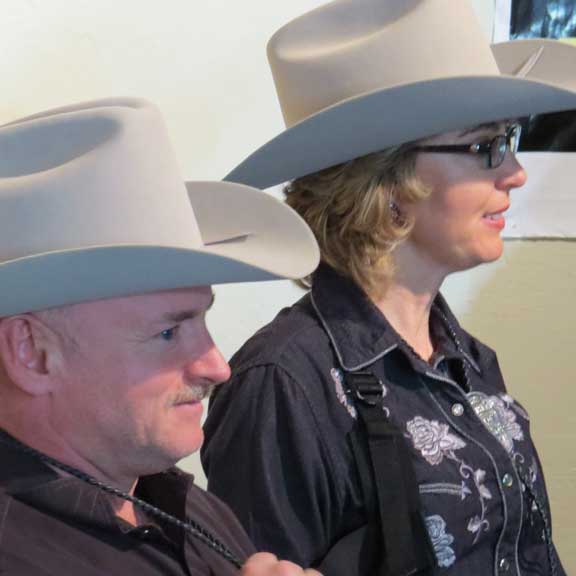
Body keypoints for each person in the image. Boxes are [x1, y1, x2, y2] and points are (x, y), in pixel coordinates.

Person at [201, 1, 576, 575]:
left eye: (510, 139)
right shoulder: (284, 385)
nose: (515, 172)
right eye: (484, 147)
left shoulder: (468, 360)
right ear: (388, 184)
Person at [0, 97, 322, 575]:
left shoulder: (184, 503)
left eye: (201, 322)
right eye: (169, 332)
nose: (218, 367)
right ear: (33, 352)